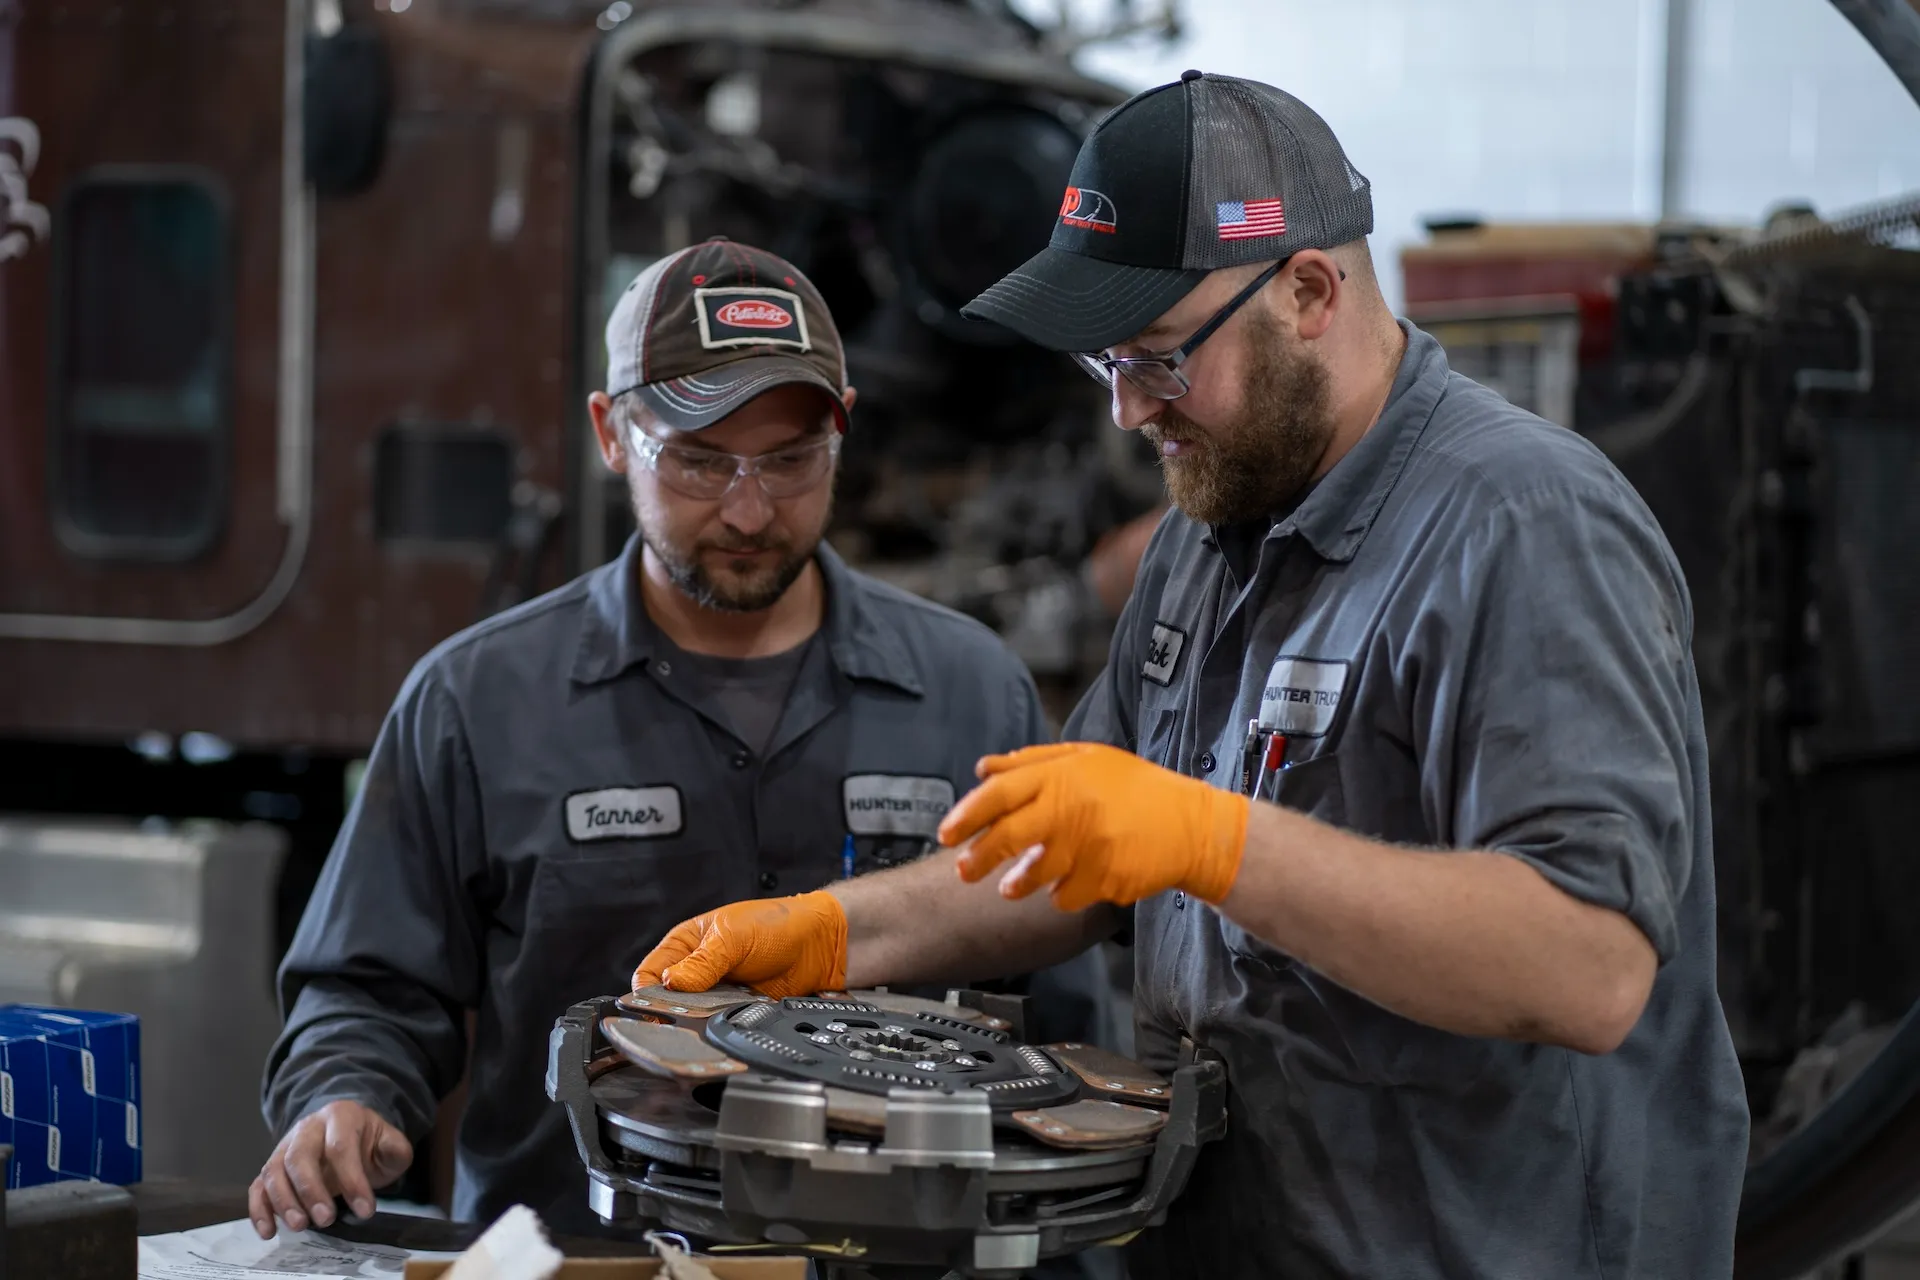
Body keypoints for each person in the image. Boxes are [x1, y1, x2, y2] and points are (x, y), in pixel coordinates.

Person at [633, 74, 1751, 1278]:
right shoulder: (1212, 529)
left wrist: (1213, 843)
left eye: (1158, 357)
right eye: (1103, 362)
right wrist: (835, 932)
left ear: (1311, 291)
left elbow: (1586, 965)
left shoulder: (1524, 525)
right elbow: (1092, 859)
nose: (1125, 411)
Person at [249, 238, 1084, 1237]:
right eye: (696, 459)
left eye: (789, 461)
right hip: (576, 1254)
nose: (748, 509)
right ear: (611, 431)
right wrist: (344, 1097)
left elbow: (1065, 1045)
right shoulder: (475, 701)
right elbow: (367, 984)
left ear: (844, 433)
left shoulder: (970, 692)